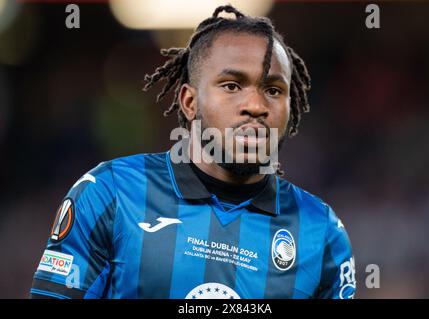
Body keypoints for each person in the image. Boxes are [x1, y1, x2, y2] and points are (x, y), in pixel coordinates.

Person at [30, 5, 355, 299]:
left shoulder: (322, 232)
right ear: (189, 102)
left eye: (273, 90)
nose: (256, 106)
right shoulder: (110, 194)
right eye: (232, 85)